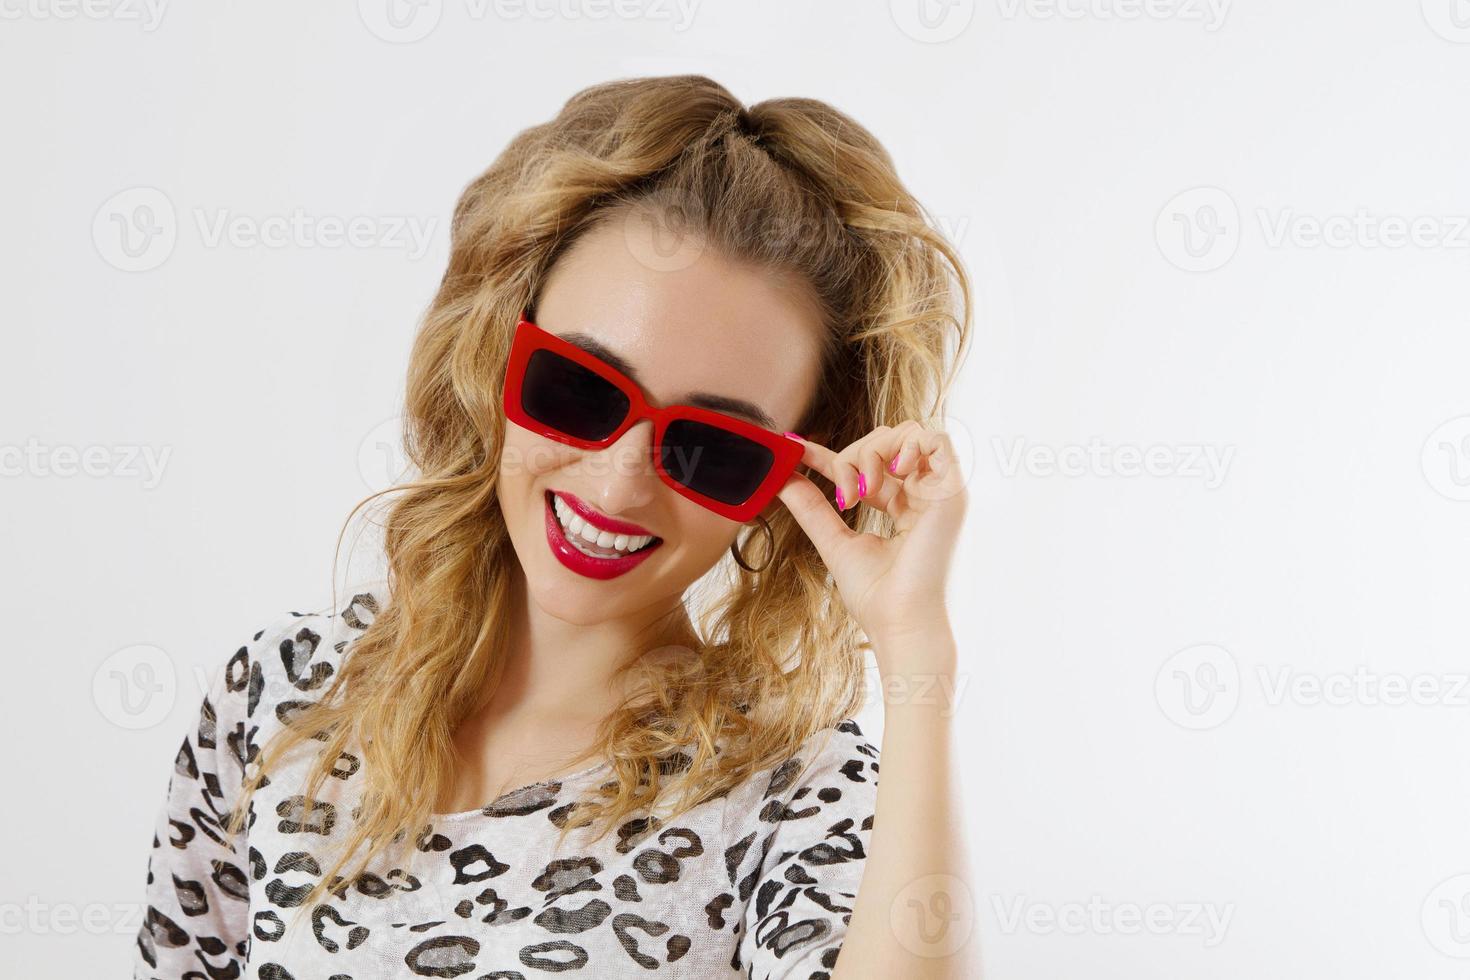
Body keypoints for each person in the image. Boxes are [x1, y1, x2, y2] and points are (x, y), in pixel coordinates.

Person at [133, 74, 973, 979]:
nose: (618, 486)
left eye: (713, 448)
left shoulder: (794, 789)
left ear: (787, 478)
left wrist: (914, 649)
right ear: (493, 349)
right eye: (578, 389)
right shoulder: (282, 695)